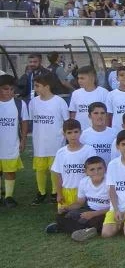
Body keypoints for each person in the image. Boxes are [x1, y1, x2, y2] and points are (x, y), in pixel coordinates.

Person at [45, 156, 109, 242]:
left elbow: (114, 207)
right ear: (86, 172)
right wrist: (66, 208)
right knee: (63, 215)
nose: (96, 172)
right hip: (89, 209)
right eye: (92, 169)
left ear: (105, 169)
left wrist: (94, 214)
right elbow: (80, 203)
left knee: (96, 221)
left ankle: (64, 227)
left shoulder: (110, 182)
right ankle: (85, 229)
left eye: (99, 168)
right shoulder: (84, 182)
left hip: (105, 212)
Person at [29, 73, 69, 204]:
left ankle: (54, 192)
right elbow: (32, 120)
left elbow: (66, 121)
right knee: (40, 168)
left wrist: (63, 136)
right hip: (39, 142)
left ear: (47, 86)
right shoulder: (33, 102)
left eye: (37, 86)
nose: (36, 89)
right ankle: (41, 192)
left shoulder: (59, 102)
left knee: (54, 169)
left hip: (56, 142)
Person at [51, 119, 97, 212]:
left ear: (81, 132)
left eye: (76, 132)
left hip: (85, 191)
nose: (73, 135)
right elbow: (58, 175)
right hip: (67, 191)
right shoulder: (61, 152)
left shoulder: (89, 150)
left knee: (82, 216)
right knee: (63, 216)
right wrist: (59, 193)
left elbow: (93, 172)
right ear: (64, 134)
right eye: (69, 132)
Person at [0, 74, 29, 207]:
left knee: (10, 170)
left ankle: (9, 197)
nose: (10, 92)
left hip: (11, 143)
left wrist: (23, 140)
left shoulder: (19, 103)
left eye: (12, 89)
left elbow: (24, 122)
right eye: (6, 89)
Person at [68, 66, 110, 132]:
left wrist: (106, 130)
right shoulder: (75, 93)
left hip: (98, 131)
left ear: (92, 78)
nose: (79, 81)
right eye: (78, 78)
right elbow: (73, 113)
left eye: (82, 78)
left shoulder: (104, 93)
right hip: (80, 132)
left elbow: (107, 115)